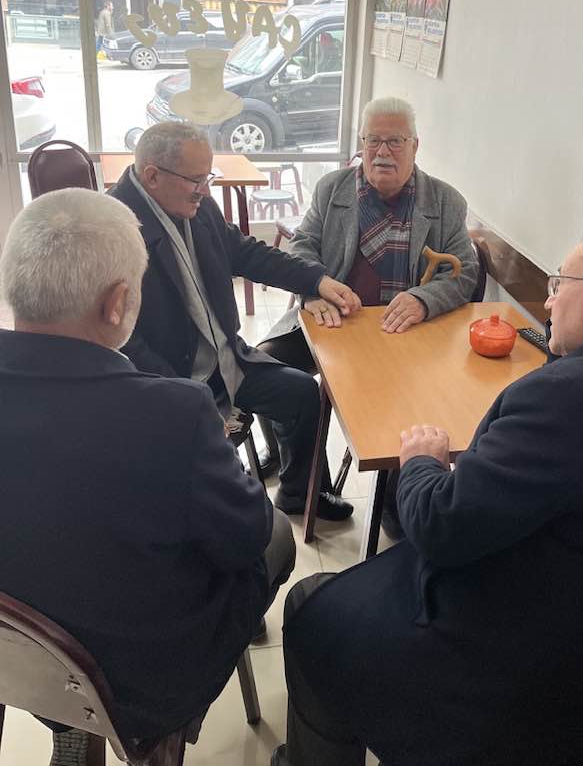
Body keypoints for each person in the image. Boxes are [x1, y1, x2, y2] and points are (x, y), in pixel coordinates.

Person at [273, 228, 583, 766]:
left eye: (558, 284)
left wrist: (421, 461)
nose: (548, 301)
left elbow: (438, 526)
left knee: (312, 609)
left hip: (518, 676)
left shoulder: (567, 397)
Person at [0, 189, 296, 766]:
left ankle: (60, 713)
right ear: (117, 304)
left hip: (17, 641)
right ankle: (132, 720)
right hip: (133, 680)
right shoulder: (173, 413)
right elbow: (244, 538)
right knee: (275, 533)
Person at [110, 120, 358, 521]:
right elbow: (123, 342)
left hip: (227, 361)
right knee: (220, 486)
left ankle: (298, 494)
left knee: (302, 394)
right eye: (195, 180)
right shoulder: (113, 229)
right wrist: (185, 399)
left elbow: (246, 253)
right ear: (152, 176)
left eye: (207, 177)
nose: (205, 190)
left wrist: (316, 281)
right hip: (170, 378)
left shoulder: (197, 206)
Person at [260, 95, 478, 535]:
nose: (382, 152)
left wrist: (424, 299)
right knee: (266, 363)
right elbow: (302, 246)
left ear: (415, 145)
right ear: (361, 143)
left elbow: (465, 273)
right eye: (373, 140)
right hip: (335, 322)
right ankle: (302, 482)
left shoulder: (445, 201)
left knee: (412, 396)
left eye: (395, 141)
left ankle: (399, 499)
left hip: (407, 333)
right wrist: (315, 287)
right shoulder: (333, 189)